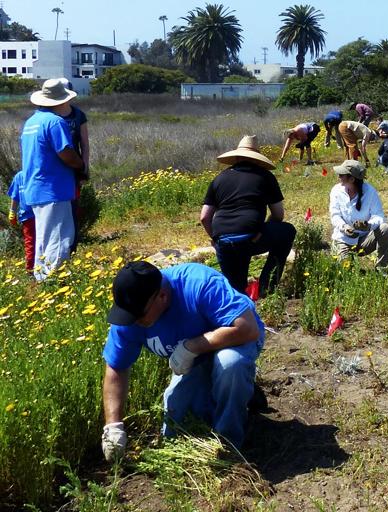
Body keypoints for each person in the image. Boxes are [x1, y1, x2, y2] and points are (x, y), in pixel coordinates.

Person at [100, 260, 266, 461]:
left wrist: (192, 347)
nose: (133, 322)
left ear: (162, 296)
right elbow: (116, 368)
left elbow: (247, 329)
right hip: (197, 357)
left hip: (236, 338)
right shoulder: (133, 308)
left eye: (139, 317)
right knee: (176, 426)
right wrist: (113, 427)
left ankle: (229, 447)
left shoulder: (199, 283)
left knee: (230, 364)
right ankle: (240, 393)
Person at [200, 136, 296, 296]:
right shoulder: (265, 177)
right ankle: (267, 287)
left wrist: (216, 240)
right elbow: (278, 215)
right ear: (257, 159)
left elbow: (204, 217)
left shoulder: (219, 179)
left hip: (224, 241)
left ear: (236, 157)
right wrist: (261, 229)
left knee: (236, 292)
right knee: (287, 231)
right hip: (251, 237)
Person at [21, 78, 84, 281]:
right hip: (54, 189)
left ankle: (41, 278)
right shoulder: (55, 122)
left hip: (35, 188)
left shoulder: (31, 122)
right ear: (61, 101)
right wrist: (80, 164)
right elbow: (65, 152)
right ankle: (54, 283)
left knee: (43, 238)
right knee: (59, 238)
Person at [329, 160, 388, 267]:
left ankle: (382, 268)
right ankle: (345, 256)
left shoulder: (370, 191)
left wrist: (368, 225)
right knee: (345, 269)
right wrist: (344, 227)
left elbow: (379, 216)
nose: (339, 176)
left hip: (364, 240)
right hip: (342, 239)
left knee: (385, 229)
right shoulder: (336, 190)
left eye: (342, 175)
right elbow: (335, 215)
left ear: (352, 179)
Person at [55, 78, 89, 252]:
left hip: (74, 167)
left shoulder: (78, 115)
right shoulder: (50, 116)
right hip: (55, 169)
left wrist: (85, 167)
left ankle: (71, 245)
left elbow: (84, 143)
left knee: (73, 205)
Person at [7, 170, 35, 272]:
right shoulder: (19, 176)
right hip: (27, 216)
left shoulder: (37, 172)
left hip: (42, 214)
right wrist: (12, 212)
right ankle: (30, 270)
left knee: (43, 241)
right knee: (30, 242)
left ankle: (43, 267)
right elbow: (15, 196)